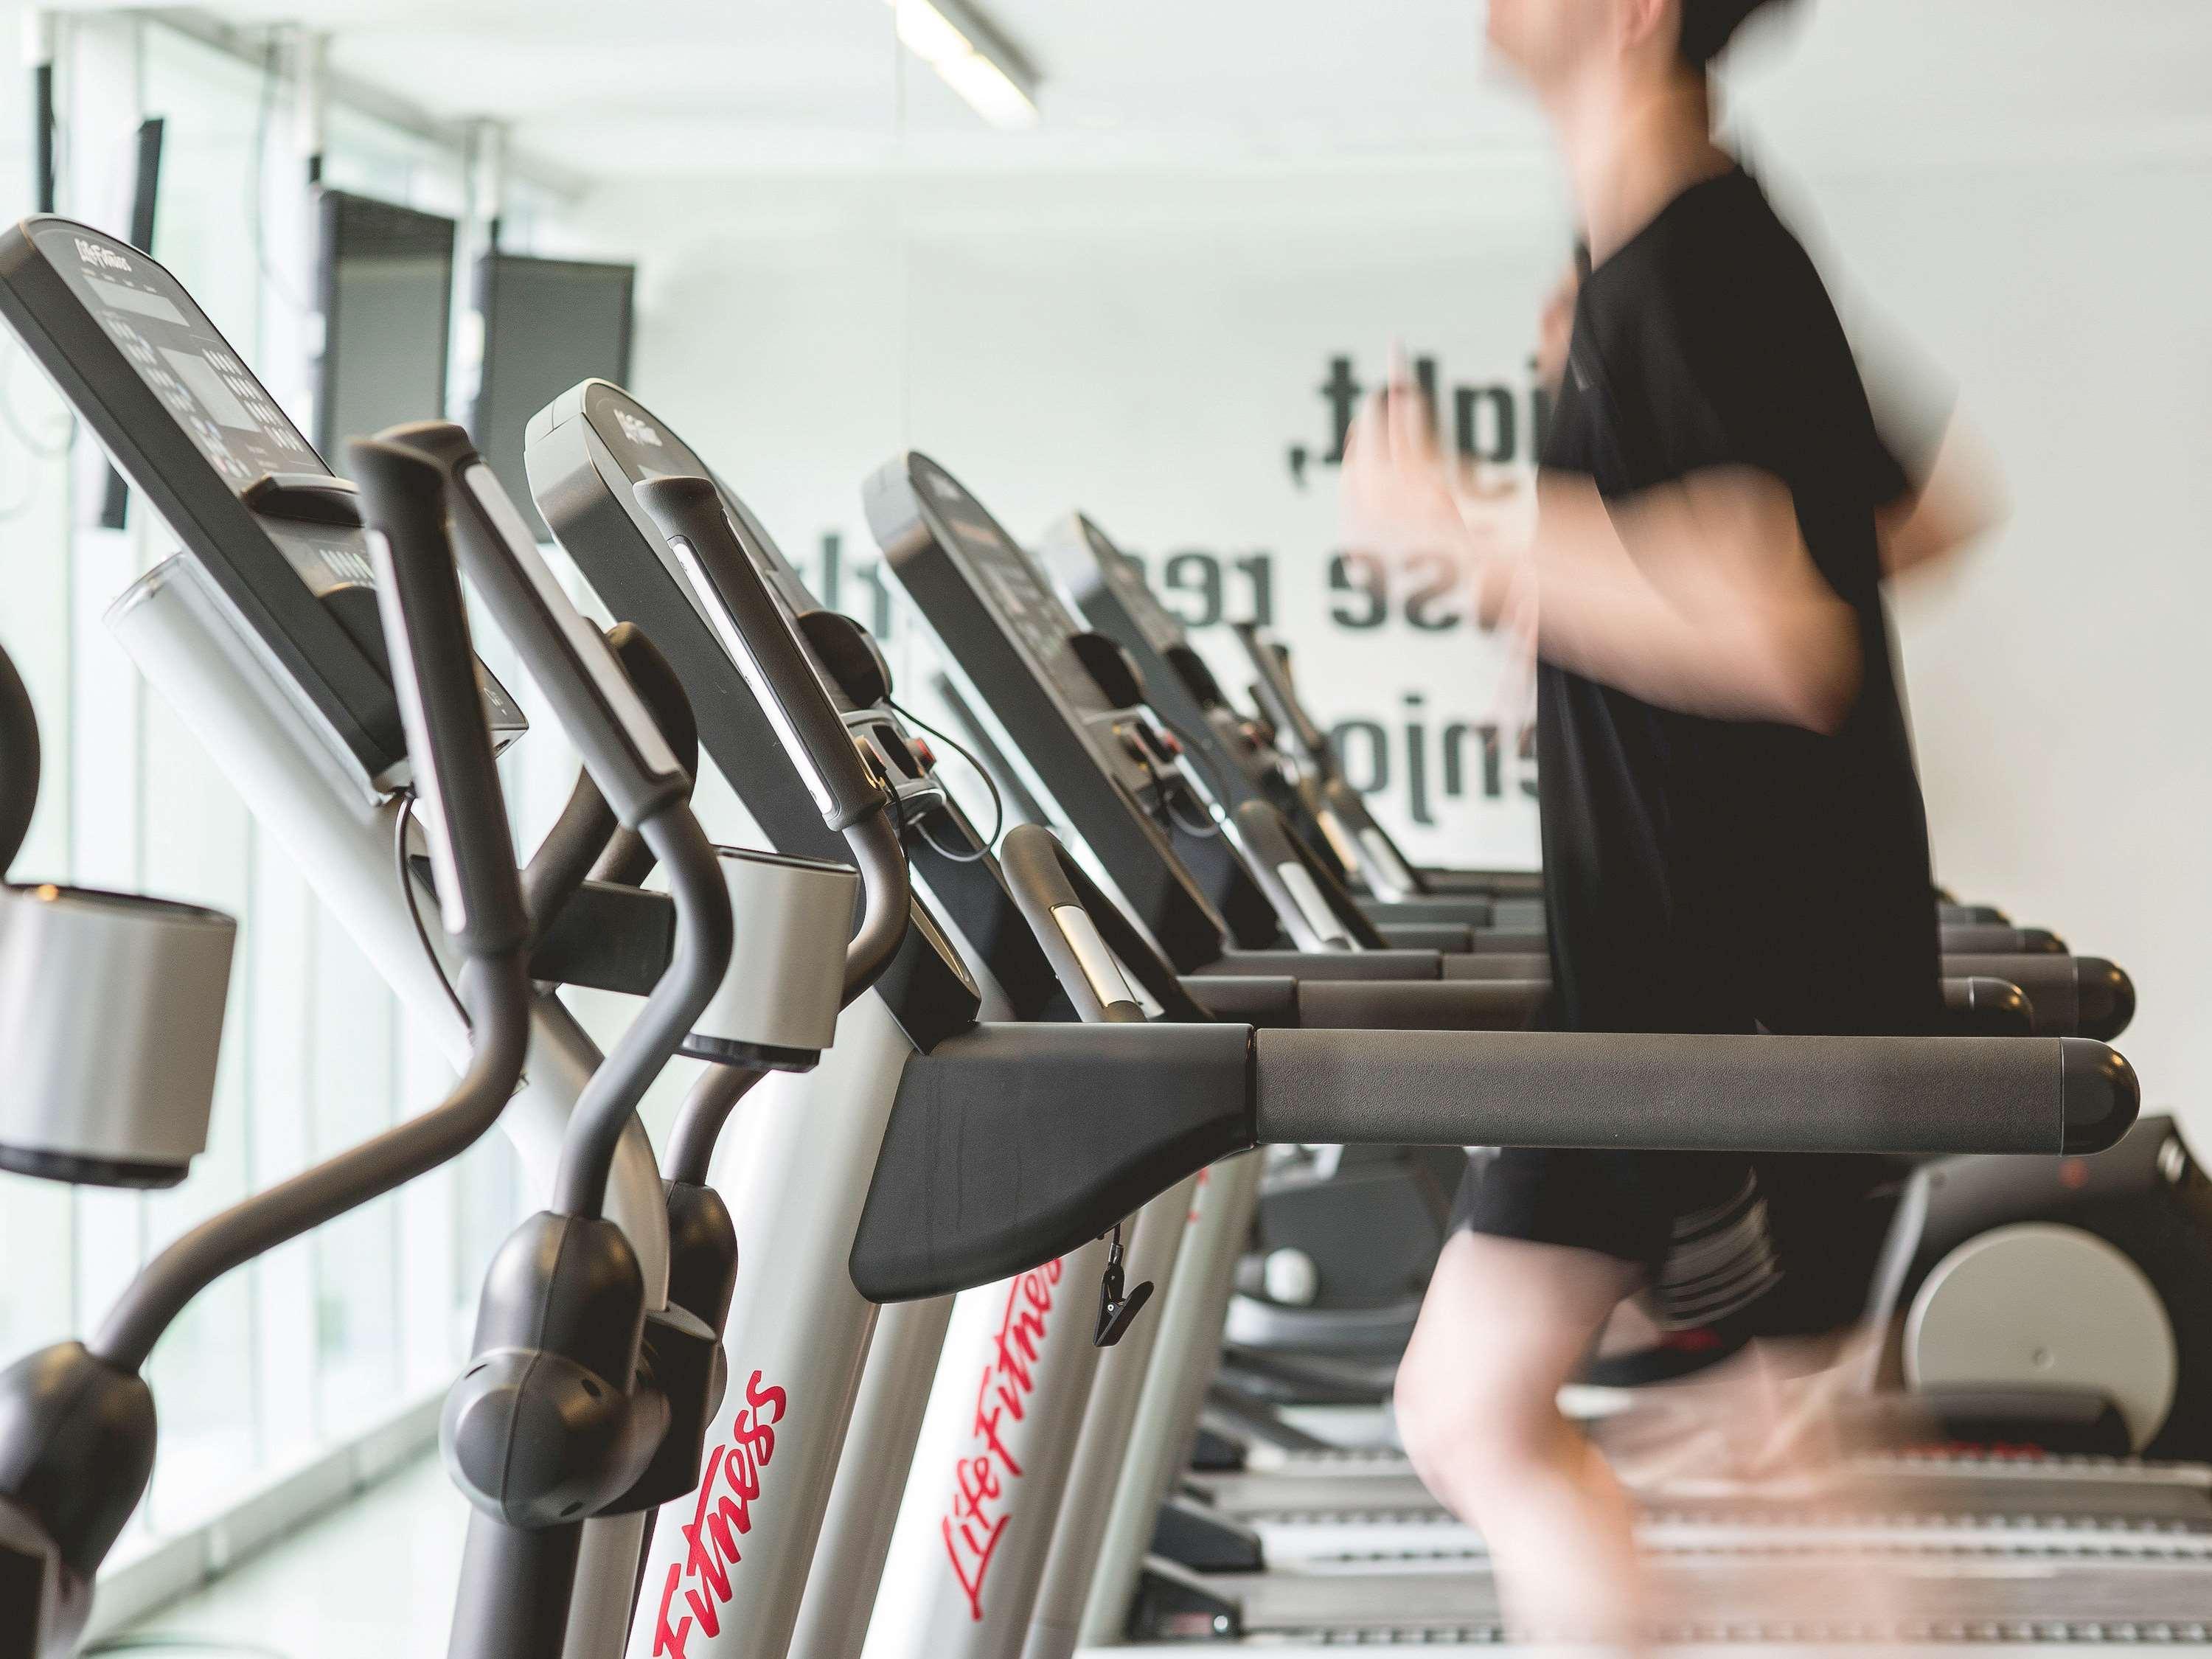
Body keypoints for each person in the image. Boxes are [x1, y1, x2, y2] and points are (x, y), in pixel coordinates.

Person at [1339, 0, 2003, 1645]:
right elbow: (1910, 520)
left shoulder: (1687, 264)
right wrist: (1595, 593)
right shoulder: (1694, 248)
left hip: (1713, 993)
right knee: (1771, 1454)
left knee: (1474, 1411)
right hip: (1728, 969)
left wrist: (1481, 536)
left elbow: (1791, 631)